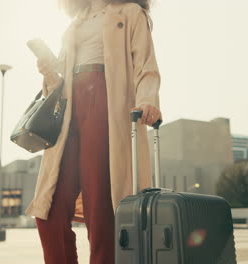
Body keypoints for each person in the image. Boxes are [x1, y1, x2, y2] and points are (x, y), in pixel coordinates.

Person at [24, 0, 161, 263]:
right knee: (48, 209)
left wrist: (148, 99)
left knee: (100, 206)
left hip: (107, 104)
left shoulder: (130, 13)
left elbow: (146, 64)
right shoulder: (75, 25)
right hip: (69, 111)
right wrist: (48, 71)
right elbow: (58, 83)